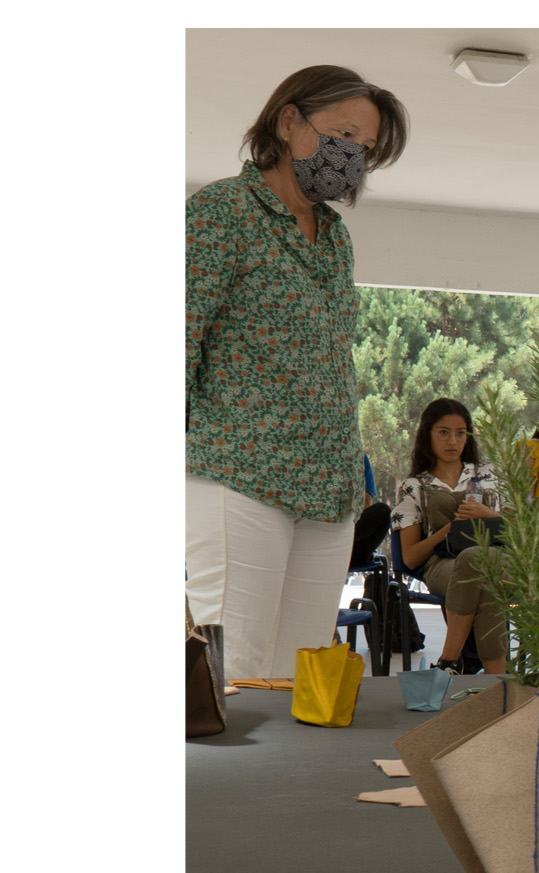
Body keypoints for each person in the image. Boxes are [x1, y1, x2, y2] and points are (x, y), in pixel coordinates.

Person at [186, 65, 409, 680]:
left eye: (365, 148)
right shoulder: (221, 212)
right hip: (241, 473)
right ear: (289, 121)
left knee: (297, 677)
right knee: (232, 670)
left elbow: (331, 360)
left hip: (329, 491)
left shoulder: (335, 237)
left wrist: (351, 471)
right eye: (343, 135)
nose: (352, 156)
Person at [392, 399, 509, 675]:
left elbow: (522, 529)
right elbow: (411, 558)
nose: (453, 441)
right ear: (427, 435)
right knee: (481, 570)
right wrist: (448, 531)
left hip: (498, 557)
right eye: (443, 432)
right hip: (442, 564)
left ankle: (449, 661)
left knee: (481, 561)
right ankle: (498, 678)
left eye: (460, 433)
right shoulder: (413, 486)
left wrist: (486, 514)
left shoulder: (489, 475)